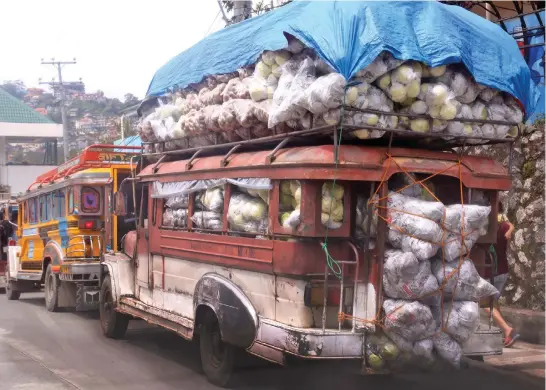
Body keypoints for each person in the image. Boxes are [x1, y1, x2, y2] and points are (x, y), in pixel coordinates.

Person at [485, 202, 519, 347]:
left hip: (489, 270)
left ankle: (506, 328)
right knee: (494, 301)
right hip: (502, 271)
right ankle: (507, 334)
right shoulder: (503, 225)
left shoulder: (486, 225)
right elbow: (510, 224)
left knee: (484, 302)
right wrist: (510, 229)